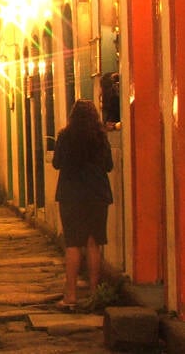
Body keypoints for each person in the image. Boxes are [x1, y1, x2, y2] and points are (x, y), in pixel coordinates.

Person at [52, 99, 114, 310]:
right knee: (93, 243)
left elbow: (56, 163)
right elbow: (109, 166)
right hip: (97, 195)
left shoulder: (64, 136)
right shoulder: (100, 137)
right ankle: (95, 294)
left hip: (71, 195)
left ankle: (70, 296)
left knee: (72, 245)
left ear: (73, 117)